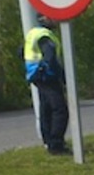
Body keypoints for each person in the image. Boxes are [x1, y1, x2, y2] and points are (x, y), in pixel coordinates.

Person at [23, 14, 69, 155]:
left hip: (36, 75)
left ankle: (48, 141)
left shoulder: (33, 33)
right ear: (47, 18)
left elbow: (20, 51)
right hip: (46, 76)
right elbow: (50, 57)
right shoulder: (45, 35)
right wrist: (62, 76)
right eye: (54, 17)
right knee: (60, 110)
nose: (57, 20)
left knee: (46, 109)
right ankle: (56, 144)